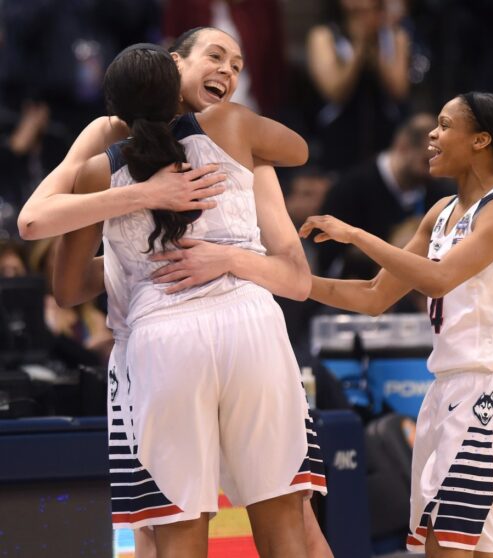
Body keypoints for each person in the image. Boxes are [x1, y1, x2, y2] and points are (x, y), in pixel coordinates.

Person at [20, 27, 330, 558]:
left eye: (236, 63)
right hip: (248, 321)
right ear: (173, 67)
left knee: (175, 530)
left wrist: (145, 249)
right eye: (215, 57)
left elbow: (63, 280)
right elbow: (299, 148)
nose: (229, 72)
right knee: (287, 520)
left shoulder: (100, 168)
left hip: (160, 339)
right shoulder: (233, 127)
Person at [300, 91, 493, 558]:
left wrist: (354, 234)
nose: (432, 134)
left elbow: (438, 277)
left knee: (443, 545)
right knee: (471, 547)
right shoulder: (441, 212)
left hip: (487, 390)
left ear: (481, 140)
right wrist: (291, 280)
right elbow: (373, 297)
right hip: (445, 387)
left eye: (446, 125)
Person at [316, 112, 454, 279]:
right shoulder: (351, 188)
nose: (432, 172)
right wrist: (393, 248)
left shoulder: (440, 192)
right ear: (403, 146)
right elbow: (330, 258)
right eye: (426, 162)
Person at [306, 0, 411, 171]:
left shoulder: (393, 36)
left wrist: (376, 45)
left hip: (385, 137)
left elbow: (399, 90)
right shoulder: (324, 36)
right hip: (338, 139)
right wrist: (359, 47)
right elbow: (334, 91)